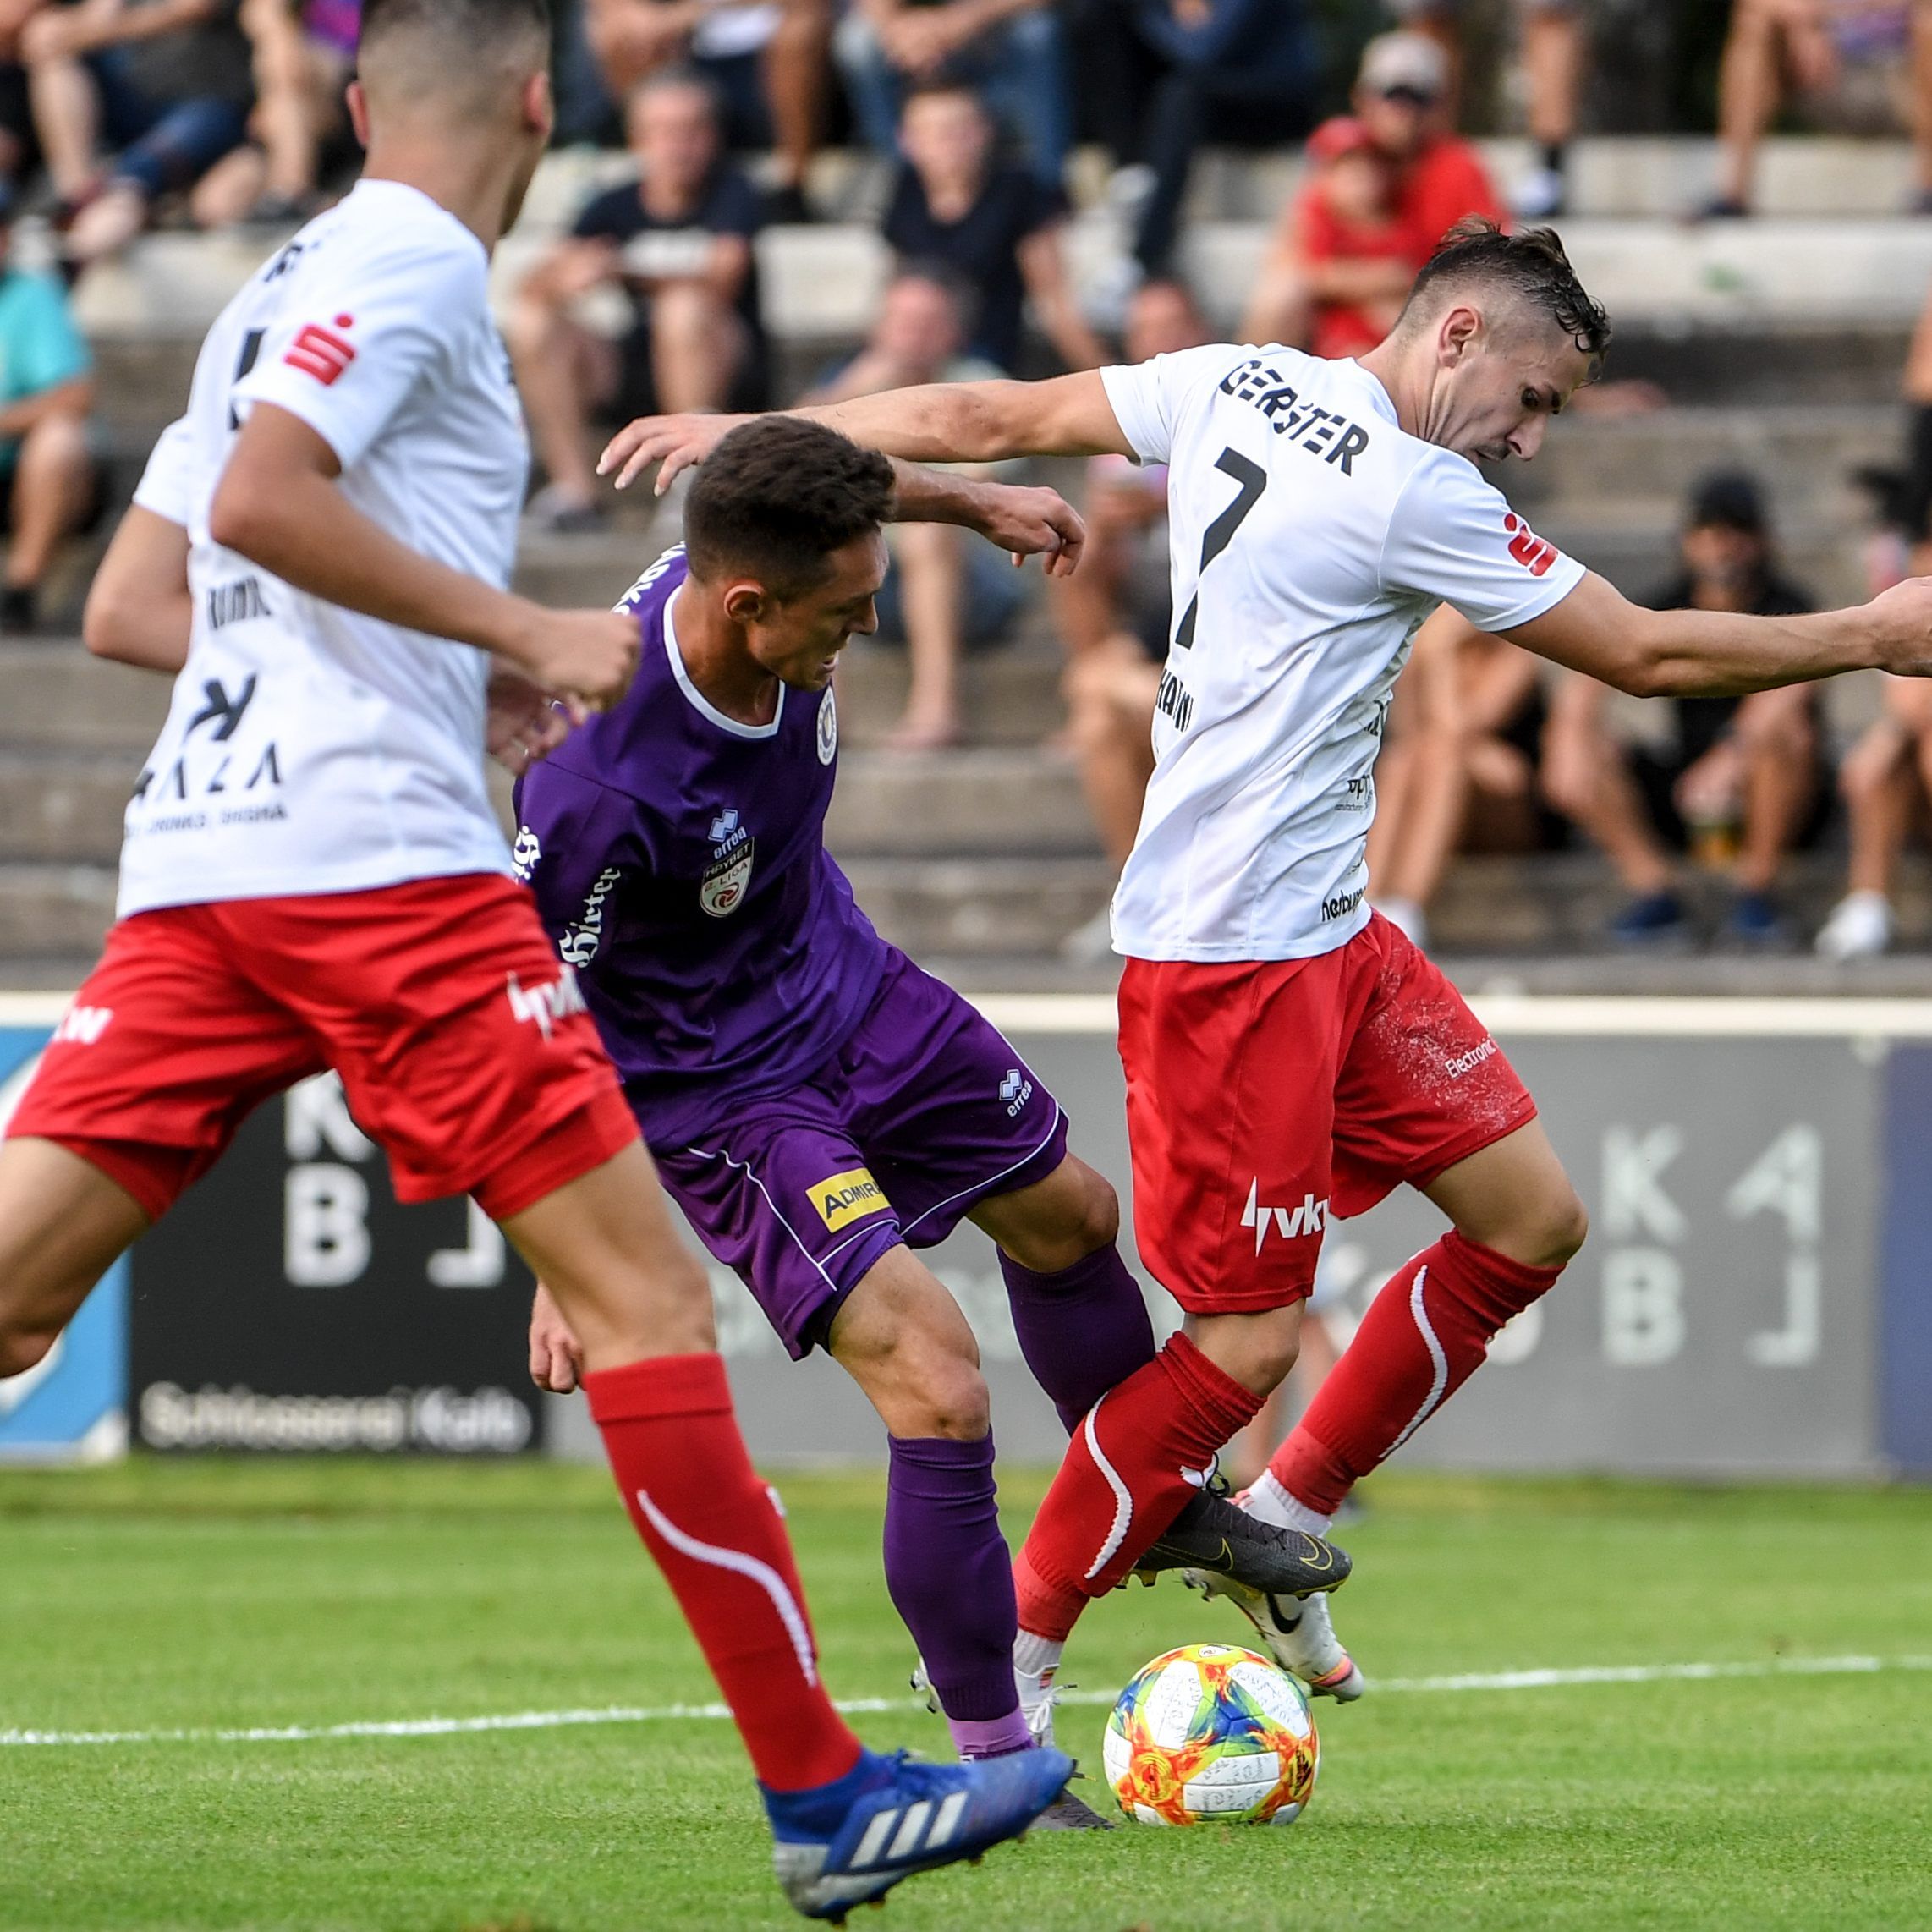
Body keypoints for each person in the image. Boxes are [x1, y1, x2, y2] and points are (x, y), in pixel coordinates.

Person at [0, 0, 1073, 1914]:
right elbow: (259, 507)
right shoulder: (415, 255)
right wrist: (531, 638)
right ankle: (826, 1796)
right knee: (649, 1308)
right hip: (376, 867)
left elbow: (132, 601)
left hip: (204, 857)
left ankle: (848, 1781)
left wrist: (448, 659)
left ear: (343, 100)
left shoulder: (269, 289)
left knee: (9, 1300)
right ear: (538, 100)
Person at [601, 217, 1932, 1716]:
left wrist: (760, 441)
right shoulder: (1412, 490)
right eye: (1533, 396)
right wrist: (1874, 632)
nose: (1530, 435)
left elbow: (987, 415)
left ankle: (1283, 1516)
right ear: (1452, 337)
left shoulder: (1242, 378)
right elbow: (1640, 655)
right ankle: (1011, 1659)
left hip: (1326, 930)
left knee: (1528, 1217)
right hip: (1233, 955)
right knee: (1235, 1337)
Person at [517, 414, 1337, 1816]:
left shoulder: (772, 554)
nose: (864, 630)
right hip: (726, 1093)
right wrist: (560, 1256)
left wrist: (971, 499)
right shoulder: (596, 780)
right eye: (842, 616)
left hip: (849, 983)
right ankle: (992, 1753)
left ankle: (1150, 1499)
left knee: (1074, 1212)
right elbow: (528, 1010)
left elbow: (836, 477)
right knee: (937, 1379)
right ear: (745, 606)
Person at [1541, 470, 1826, 950]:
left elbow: (1792, 695)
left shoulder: (1789, 604)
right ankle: (1655, 890)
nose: (1723, 546)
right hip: (1683, 784)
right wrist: (1568, 740)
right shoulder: (1663, 607)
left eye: (1737, 532)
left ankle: (1757, 890)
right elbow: (1587, 672)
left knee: (1787, 735)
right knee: (1582, 746)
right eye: (1710, 532)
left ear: (1761, 542)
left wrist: (1730, 756)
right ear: (1688, 540)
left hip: (1774, 788)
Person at [506, 71, 766, 534]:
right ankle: (574, 492)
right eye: (663, 131)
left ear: (712, 136)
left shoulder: (734, 192)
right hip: (629, 368)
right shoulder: (613, 204)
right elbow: (529, 287)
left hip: (723, 368)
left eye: (691, 130)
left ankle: (692, 482)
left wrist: (623, 271)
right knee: (532, 324)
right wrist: (563, 278)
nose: (678, 145)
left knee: (683, 309)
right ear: (638, 139)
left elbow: (725, 278)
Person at [1047, 277, 1207, 962]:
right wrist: (1103, 531)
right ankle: (1136, 903)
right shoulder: (1123, 437)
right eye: (1147, 329)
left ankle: (1102, 681)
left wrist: (1170, 503)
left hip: (1232, 648)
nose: (1161, 341)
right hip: (1154, 638)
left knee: (1094, 702)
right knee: (1093, 712)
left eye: (1173, 324)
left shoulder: (1240, 413)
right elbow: (1095, 571)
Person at [802, 265, 1020, 749]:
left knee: (925, 531)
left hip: (972, 579)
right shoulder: (849, 384)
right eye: (901, 321)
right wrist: (855, 388)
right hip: (874, 580)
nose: (913, 335)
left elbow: (978, 491)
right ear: (877, 328)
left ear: (953, 332)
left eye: (928, 322)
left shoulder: (979, 384)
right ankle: (825, 721)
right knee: (818, 538)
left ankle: (938, 710)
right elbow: (784, 457)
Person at [1239, 33, 1504, 354]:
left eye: (1417, 97)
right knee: (1281, 293)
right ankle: (1247, 387)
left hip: (1421, 308)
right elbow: (1294, 255)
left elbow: (1492, 262)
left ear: (1439, 104)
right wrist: (1371, 280)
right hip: (1343, 309)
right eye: (1391, 95)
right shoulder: (1345, 154)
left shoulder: (1459, 166)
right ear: (1362, 97)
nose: (1403, 110)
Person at [881, 83, 1105, 380]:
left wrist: (1107, 384)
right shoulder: (906, 190)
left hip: (978, 359)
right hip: (903, 353)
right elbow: (896, 290)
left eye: (961, 129)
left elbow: (1054, 301)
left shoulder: (1015, 191)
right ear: (907, 141)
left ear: (986, 131)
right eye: (933, 132)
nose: (949, 143)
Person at [1368, 606, 1555, 952]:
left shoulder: (1516, 656)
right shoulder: (1425, 649)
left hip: (1515, 812)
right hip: (1450, 785)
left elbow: (1455, 730)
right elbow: (1407, 735)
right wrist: (1417, 661)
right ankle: (1371, 903)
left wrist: (1440, 656)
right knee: (1401, 761)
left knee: (1447, 758)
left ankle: (1407, 910)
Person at [22, 0, 256, 265]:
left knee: (134, 180)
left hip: (209, 106)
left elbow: (195, 8)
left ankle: (104, 213)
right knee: (49, 42)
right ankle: (79, 197)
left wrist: (93, 32)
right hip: (136, 102)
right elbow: (87, 20)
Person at [1120, 0, 1320, 285]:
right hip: (1223, 97)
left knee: (1181, 95)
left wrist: (1158, 14)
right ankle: (1133, 169)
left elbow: (1204, 50)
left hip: (1278, 108)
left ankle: (1144, 255)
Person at [583, 0, 831, 218]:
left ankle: (793, 190)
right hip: (685, 55)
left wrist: (690, 12)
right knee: (619, 32)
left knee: (801, 31)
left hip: (772, 66)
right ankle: (658, 186)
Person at [1707, 0, 1932, 218]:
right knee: (1755, 21)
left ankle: (1927, 188)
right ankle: (1732, 193)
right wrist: (1805, 23)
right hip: (1826, 76)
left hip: (1905, 87)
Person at [835, 0, 1066, 189]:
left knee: (1036, 32)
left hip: (992, 28)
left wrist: (960, 21)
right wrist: (900, 33)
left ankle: (1048, 187)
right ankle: (905, 187)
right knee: (858, 43)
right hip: (914, 37)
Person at [0, 193, 98, 631]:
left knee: (60, 437)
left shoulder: (32, 295)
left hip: (29, 474)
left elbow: (73, 397)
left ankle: (20, 590)